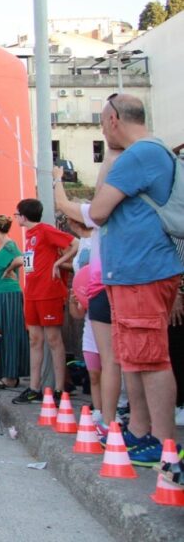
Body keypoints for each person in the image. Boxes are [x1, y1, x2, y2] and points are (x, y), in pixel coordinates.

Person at [87, 93, 183, 463]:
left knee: (150, 359)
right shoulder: (151, 153)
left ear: (113, 120)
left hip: (141, 271)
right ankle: (141, 431)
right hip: (132, 272)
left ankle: (163, 441)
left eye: (102, 125)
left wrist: (112, 158)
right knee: (134, 358)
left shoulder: (139, 155)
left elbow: (97, 210)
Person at [10, 198, 77, 405]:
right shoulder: (29, 234)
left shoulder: (46, 230)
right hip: (32, 293)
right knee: (35, 339)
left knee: (54, 340)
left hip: (48, 292)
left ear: (23, 215)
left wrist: (58, 262)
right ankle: (34, 388)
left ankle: (58, 389)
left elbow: (74, 243)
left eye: (17, 214)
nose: (15, 217)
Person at [0, 215, 27, 388]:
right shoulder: (2, 247)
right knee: (1, 332)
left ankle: (11, 375)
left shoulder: (10, 246)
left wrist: (10, 268)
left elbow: (23, 258)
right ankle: (5, 371)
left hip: (8, 294)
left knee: (9, 332)